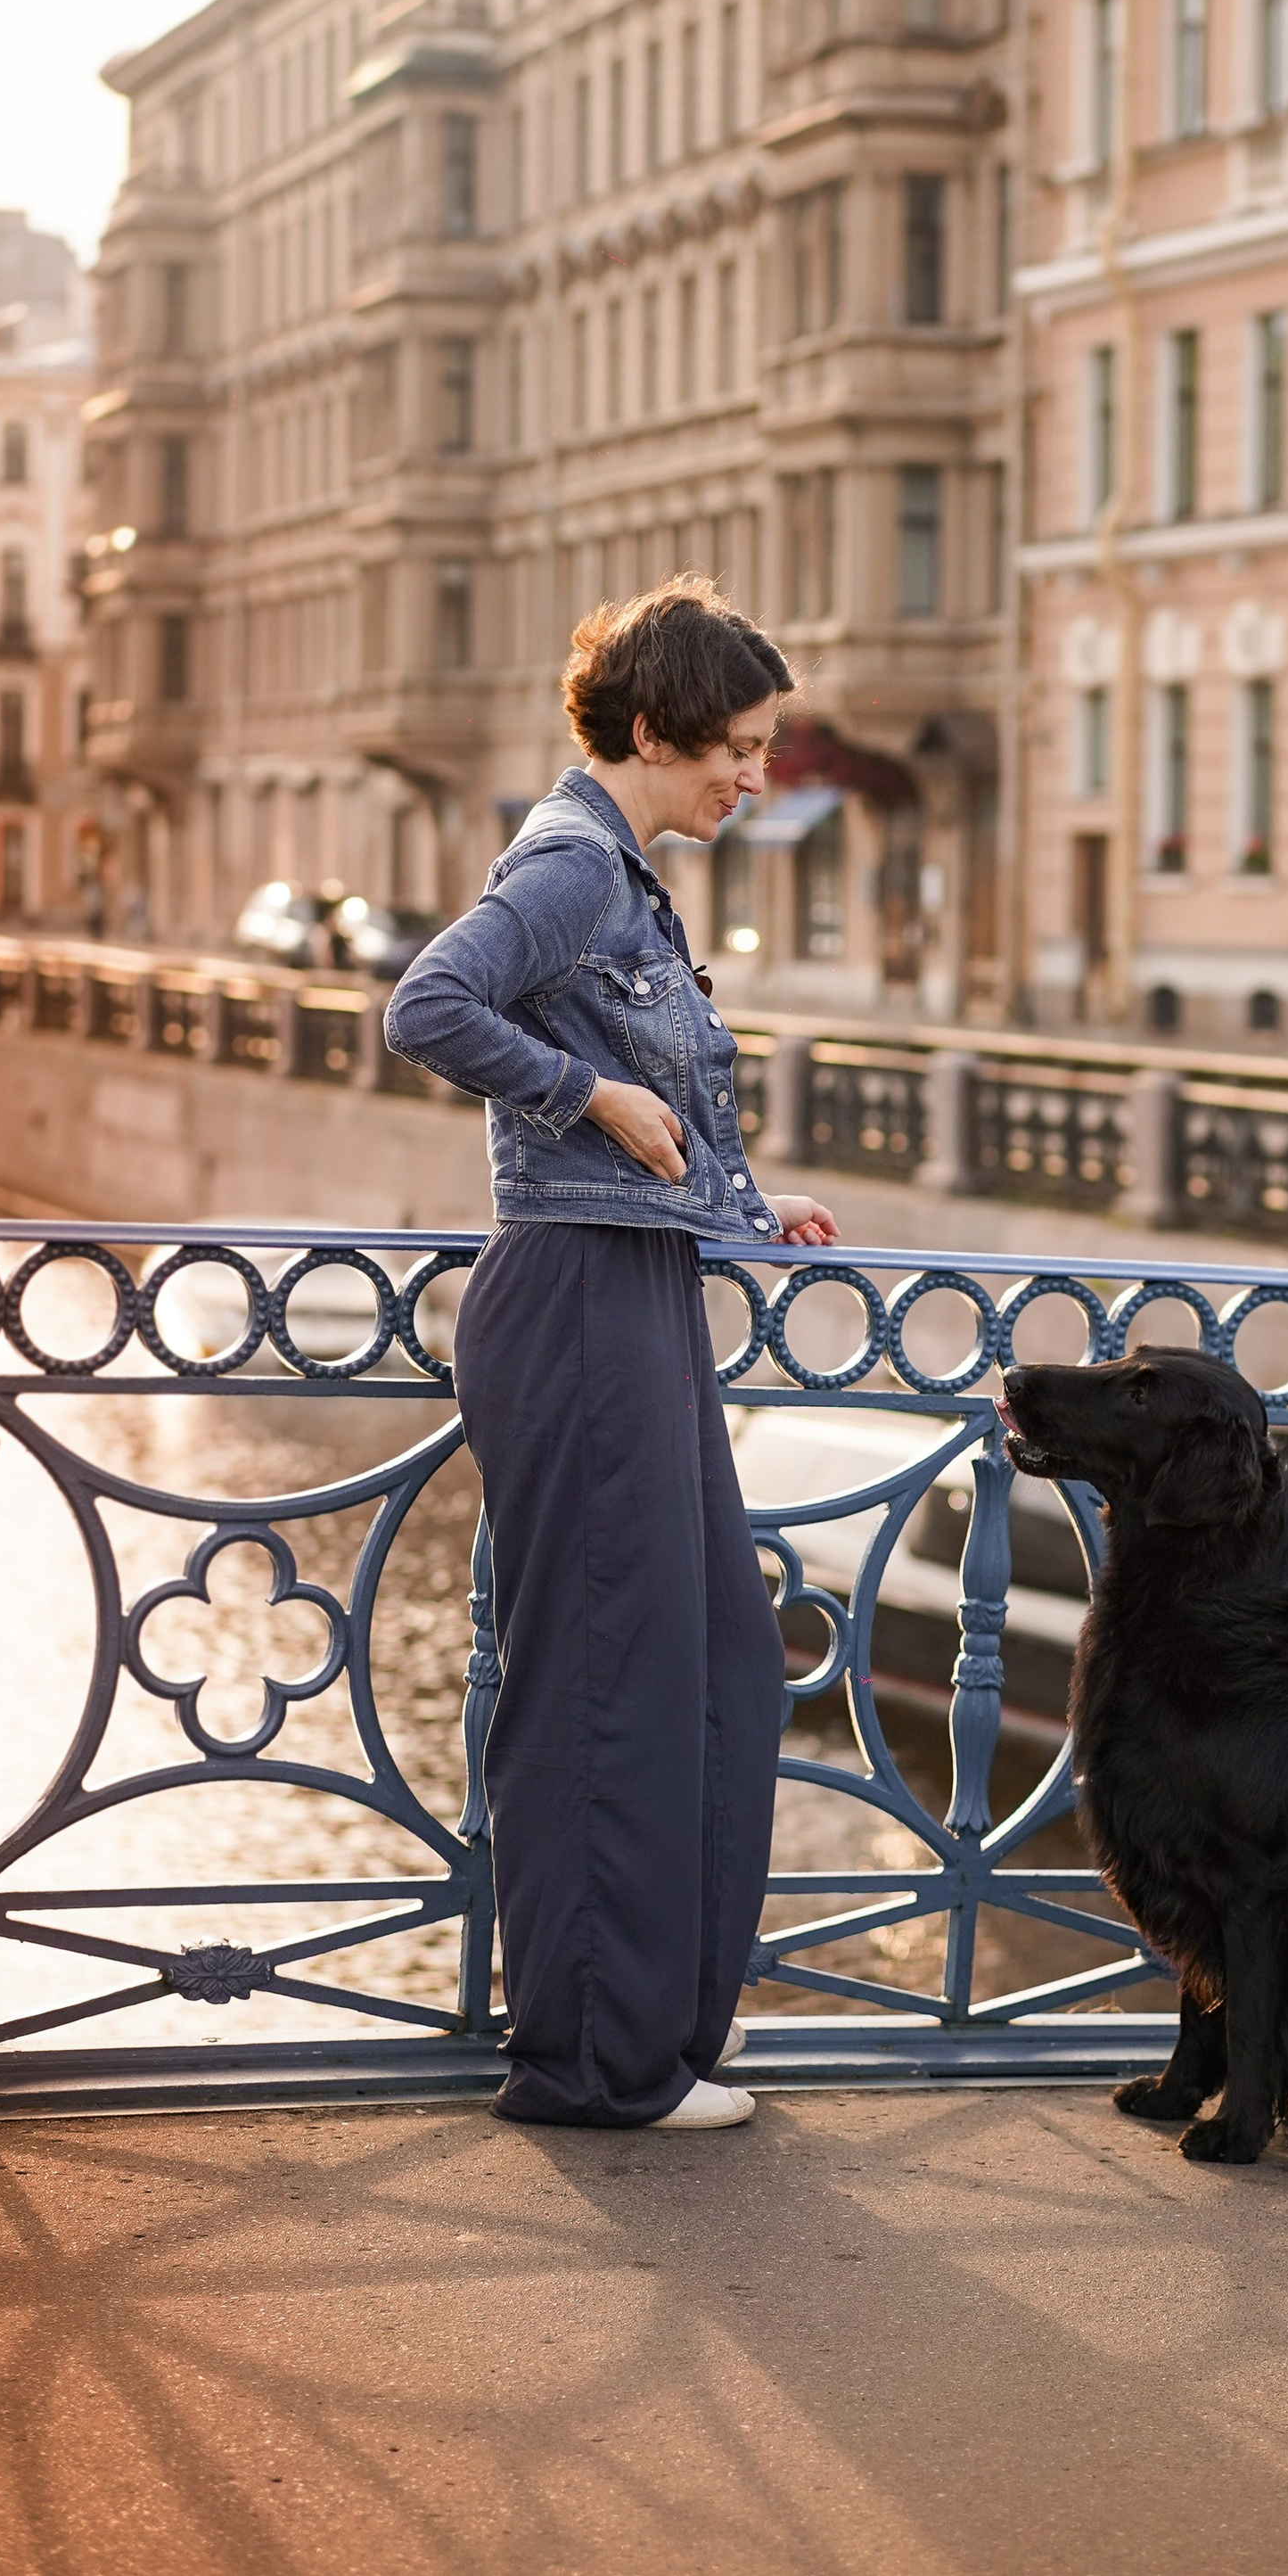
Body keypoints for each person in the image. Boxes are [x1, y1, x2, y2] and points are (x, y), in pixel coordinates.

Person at [384, 577, 839, 2131]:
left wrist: (736, 1195)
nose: (754, 777)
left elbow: (640, 1083)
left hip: (630, 1284)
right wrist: (583, 1101)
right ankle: (590, 2062)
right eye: (740, 747)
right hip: (576, 1300)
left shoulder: (628, 878)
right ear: (655, 729)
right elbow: (428, 1004)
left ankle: (663, 2036)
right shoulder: (576, 863)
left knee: (717, 1667)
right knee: (609, 1686)